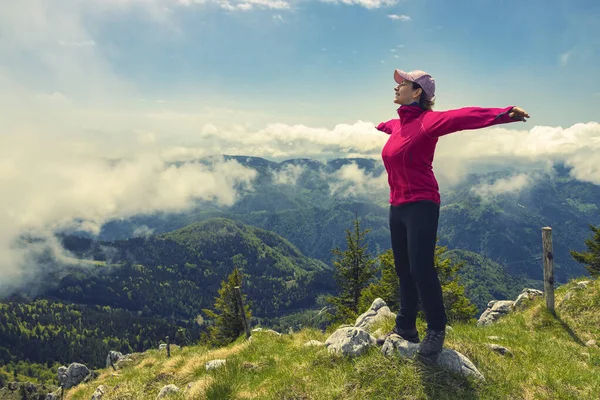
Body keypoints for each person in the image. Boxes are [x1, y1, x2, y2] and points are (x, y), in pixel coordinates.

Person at [375, 69, 530, 361]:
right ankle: (406, 326)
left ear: (418, 91)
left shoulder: (429, 121)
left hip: (422, 204)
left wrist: (505, 114)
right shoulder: (397, 125)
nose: (396, 88)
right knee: (403, 269)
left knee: (421, 269)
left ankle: (436, 329)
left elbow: (464, 116)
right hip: (397, 207)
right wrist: (381, 126)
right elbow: (392, 127)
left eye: (402, 84)